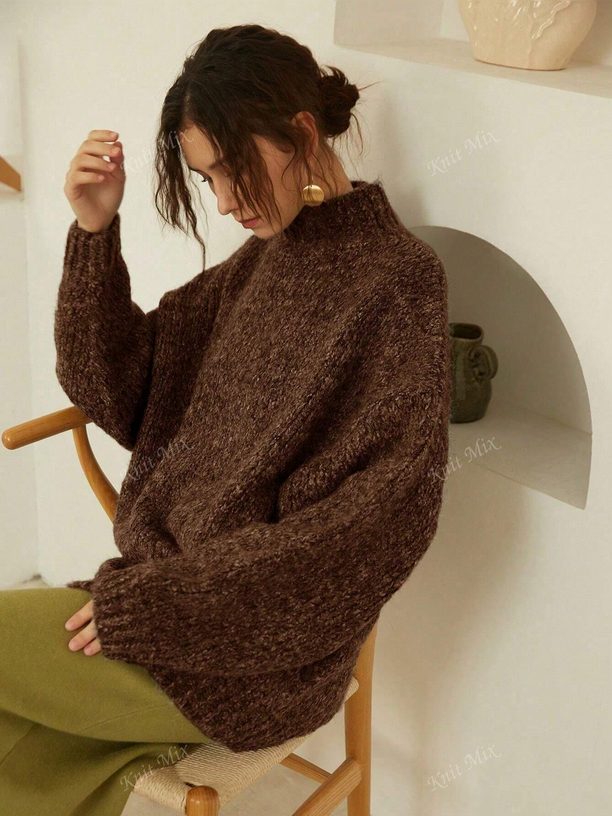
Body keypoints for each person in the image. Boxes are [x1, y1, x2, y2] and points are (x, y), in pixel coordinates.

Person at [0, 23, 452, 815]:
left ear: (301, 134)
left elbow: (372, 532)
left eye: (233, 171)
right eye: (207, 179)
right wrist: (95, 232)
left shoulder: (399, 285)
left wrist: (159, 608)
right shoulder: (261, 263)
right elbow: (122, 390)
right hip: (157, 608)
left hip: (253, 659)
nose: (225, 201)